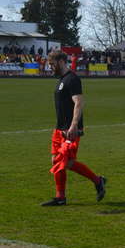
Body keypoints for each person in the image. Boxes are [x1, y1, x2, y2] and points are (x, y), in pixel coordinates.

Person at [41, 51, 106, 206]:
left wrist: (74, 125)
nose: (51, 67)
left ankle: (97, 181)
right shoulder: (61, 80)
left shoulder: (72, 79)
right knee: (55, 160)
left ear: (62, 61)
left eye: (52, 64)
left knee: (65, 162)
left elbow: (79, 102)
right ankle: (60, 197)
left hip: (70, 130)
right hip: (59, 128)